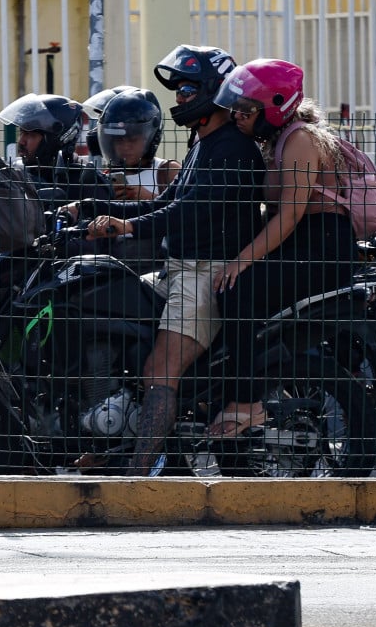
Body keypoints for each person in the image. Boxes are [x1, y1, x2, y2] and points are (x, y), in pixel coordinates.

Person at [71, 45, 265, 475]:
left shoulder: (231, 147)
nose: (179, 97)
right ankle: (118, 443)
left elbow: (191, 210)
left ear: (215, 90)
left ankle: (141, 472)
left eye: (188, 88)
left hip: (205, 272)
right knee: (112, 307)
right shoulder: (204, 141)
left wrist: (128, 227)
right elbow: (170, 200)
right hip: (177, 266)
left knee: (160, 368)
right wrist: (94, 209)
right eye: (176, 90)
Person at [208, 59, 361, 443]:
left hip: (321, 247)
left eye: (247, 110)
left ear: (275, 106)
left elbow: (291, 214)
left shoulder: (301, 140)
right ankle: (256, 379)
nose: (238, 116)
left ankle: (247, 402)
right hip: (301, 245)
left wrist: (241, 261)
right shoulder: (277, 139)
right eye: (235, 109)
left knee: (236, 290)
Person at [0, 93, 110, 209]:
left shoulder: (84, 181)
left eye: (30, 135)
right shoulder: (19, 174)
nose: (21, 141)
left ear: (55, 139)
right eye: (21, 133)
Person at [91, 86, 179, 201]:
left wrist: (149, 198)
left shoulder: (167, 171)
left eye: (133, 140)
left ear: (151, 137)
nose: (126, 147)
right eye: (119, 141)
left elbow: (185, 210)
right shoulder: (107, 178)